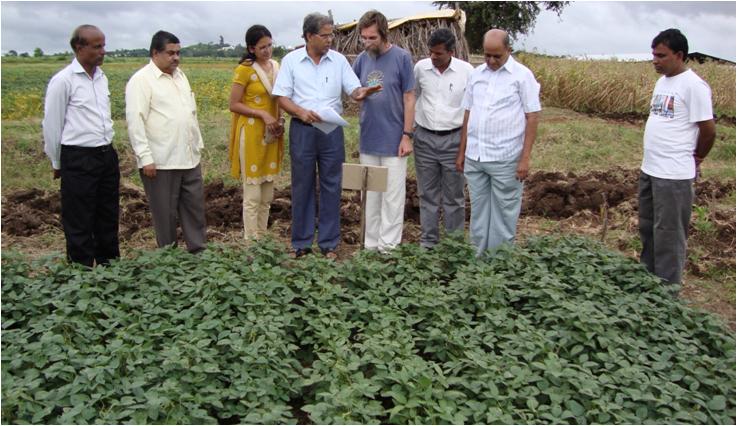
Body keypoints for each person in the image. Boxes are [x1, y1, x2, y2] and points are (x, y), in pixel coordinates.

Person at [273, 12, 379, 259]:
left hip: (330, 131)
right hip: (302, 130)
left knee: (332, 184)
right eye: (325, 35)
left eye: (331, 34)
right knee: (302, 185)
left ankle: (329, 243)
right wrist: (300, 112)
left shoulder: (339, 61)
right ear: (309, 36)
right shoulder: (291, 61)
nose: (330, 39)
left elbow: (353, 89)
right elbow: (281, 97)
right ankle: (301, 242)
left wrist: (362, 92)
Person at [639, 28, 716, 291]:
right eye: (653, 55)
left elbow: (708, 130)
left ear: (679, 55)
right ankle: (647, 280)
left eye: (661, 55)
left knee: (669, 235)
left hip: (673, 174)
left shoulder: (694, 86)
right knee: (648, 228)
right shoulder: (662, 82)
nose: (655, 60)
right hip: (650, 168)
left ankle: (667, 293)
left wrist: (697, 157)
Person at [456, 29, 541, 256]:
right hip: (477, 156)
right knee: (479, 211)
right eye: (487, 56)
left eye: (497, 56)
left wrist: (525, 158)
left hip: (506, 157)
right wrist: (462, 152)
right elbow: (468, 113)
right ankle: (478, 260)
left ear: (508, 51)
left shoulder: (522, 76)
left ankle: (499, 263)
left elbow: (532, 116)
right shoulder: (476, 75)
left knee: (504, 213)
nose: (491, 61)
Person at [42, 24, 120, 267]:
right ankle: (81, 273)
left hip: (106, 154)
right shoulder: (63, 81)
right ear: (79, 48)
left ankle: (110, 268)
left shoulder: (101, 78)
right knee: (79, 218)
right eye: (97, 47)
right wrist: (57, 161)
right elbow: (52, 125)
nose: (103, 51)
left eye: (104, 45)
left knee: (107, 214)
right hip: (78, 157)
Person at [125, 30, 207, 253]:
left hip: (189, 157)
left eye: (178, 53)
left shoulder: (180, 76)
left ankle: (199, 255)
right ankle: (168, 260)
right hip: (161, 162)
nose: (176, 58)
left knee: (195, 210)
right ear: (155, 53)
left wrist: (197, 145)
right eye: (170, 53)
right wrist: (145, 158)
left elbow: (190, 114)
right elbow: (135, 122)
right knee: (165, 215)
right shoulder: (141, 81)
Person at [352, 10, 416, 253]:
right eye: (364, 38)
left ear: (383, 34)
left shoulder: (401, 58)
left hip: (394, 139)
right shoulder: (362, 59)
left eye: (372, 38)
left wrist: (407, 135)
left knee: (392, 196)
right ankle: (370, 245)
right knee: (371, 195)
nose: (367, 43)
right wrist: (360, 93)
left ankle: (388, 248)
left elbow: (409, 97)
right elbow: (354, 92)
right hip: (369, 137)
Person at [413, 28, 474, 250]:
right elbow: (415, 96)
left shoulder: (467, 72)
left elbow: (470, 110)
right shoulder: (420, 68)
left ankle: (453, 245)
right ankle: (428, 242)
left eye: (438, 53)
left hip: (454, 139)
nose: (433, 57)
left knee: (454, 197)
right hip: (425, 139)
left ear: (451, 51)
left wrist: (464, 146)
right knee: (427, 194)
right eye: (431, 52)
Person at [228, 25, 284, 241]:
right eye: (262, 47)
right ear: (251, 48)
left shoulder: (276, 67)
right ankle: (251, 242)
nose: (267, 51)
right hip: (251, 133)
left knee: (268, 192)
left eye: (270, 45)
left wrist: (277, 119)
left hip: (272, 132)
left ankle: (263, 237)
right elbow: (234, 104)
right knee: (253, 193)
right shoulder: (245, 70)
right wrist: (261, 113)